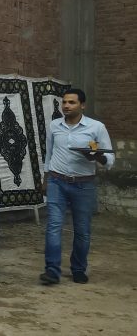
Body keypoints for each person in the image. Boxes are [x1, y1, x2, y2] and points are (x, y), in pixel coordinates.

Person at [40, 88, 114, 285]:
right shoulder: (54, 125)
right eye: (64, 102)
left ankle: (78, 268)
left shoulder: (96, 127)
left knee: (82, 230)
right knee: (53, 226)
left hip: (84, 185)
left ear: (82, 105)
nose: (66, 106)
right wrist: (45, 179)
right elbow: (49, 153)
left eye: (71, 102)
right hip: (57, 181)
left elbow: (109, 160)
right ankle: (52, 270)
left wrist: (96, 156)